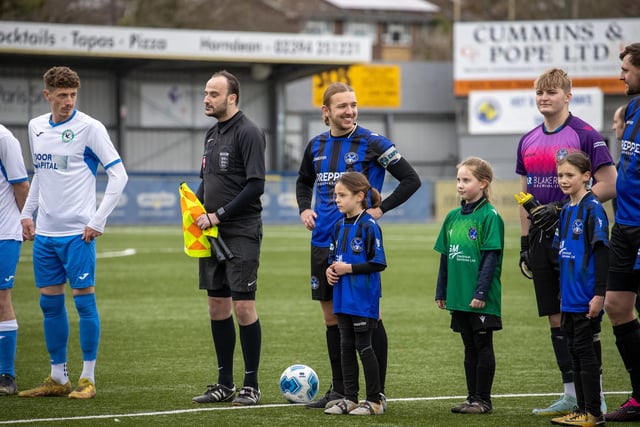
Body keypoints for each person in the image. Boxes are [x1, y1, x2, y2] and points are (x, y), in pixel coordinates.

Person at [296, 82, 421, 409]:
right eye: (342, 106)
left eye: (353, 104)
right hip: (322, 243)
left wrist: (380, 209)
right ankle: (341, 391)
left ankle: (375, 394)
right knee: (331, 319)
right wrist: (304, 208)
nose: (350, 111)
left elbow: (411, 179)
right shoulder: (316, 145)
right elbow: (303, 181)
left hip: (356, 248)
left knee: (369, 317)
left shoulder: (373, 142)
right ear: (326, 112)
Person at [18, 66, 128, 399]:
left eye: (73, 95)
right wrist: (27, 213)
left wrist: (98, 221)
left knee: (84, 305)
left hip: (78, 236)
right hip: (46, 236)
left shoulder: (90, 128)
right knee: (49, 306)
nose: (68, 101)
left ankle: (87, 379)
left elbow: (119, 175)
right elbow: (40, 173)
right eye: (62, 95)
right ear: (47, 94)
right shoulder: (35, 127)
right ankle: (57, 377)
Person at [515, 68, 616, 416]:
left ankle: (596, 396)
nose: (545, 98)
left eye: (552, 92)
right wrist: (525, 240)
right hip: (543, 243)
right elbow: (525, 196)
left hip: (576, 241)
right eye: (540, 93)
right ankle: (571, 393)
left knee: (583, 318)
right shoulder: (527, 139)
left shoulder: (586, 134)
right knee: (556, 319)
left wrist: (561, 208)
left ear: (568, 96)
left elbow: (609, 183)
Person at [191, 70, 266, 406]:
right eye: (206, 93)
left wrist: (219, 215)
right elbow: (207, 181)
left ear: (232, 98)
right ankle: (224, 384)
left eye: (213, 94)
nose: (207, 99)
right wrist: (193, 207)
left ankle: (251, 386)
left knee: (243, 308)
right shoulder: (210, 134)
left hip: (241, 231)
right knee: (216, 306)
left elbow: (256, 185)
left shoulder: (248, 132)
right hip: (212, 233)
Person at [435, 157, 504, 415]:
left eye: (466, 180)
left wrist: (481, 292)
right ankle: (472, 398)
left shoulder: (490, 216)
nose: (460, 185)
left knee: (483, 344)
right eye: (458, 180)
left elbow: (490, 258)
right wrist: (441, 290)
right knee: (468, 346)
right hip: (458, 294)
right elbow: (445, 256)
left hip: (481, 297)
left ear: (483, 183)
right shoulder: (452, 217)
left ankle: (483, 401)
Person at [550, 152, 609, 427]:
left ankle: (594, 414)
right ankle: (581, 409)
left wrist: (599, 294)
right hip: (569, 298)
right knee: (574, 351)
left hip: (586, 297)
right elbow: (559, 253)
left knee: (586, 354)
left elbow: (601, 254)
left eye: (569, 175)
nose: (563, 180)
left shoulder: (592, 208)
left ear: (587, 176)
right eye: (560, 175)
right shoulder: (566, 209)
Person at [323, 171, 387, 416]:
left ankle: (374, 400)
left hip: (362, 299)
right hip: (342, 297)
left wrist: (348, 268)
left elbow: (378, 263)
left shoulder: (369, 226)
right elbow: (333, 259)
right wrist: (331, 271)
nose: (337, 200)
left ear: (360, 196)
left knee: (364, 347)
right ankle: (349, 398)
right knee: (345, 346)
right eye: (335, 195)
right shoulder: (337, 226)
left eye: (342, 195)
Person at [604, 42, 640, 422]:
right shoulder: (631, 109)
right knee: (616, 306)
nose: (621, 75)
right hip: (625, 227)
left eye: (627, 69)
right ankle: (638, 396)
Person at [0, 125, 29, 396]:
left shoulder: (4, 138)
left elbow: (21, 183)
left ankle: (6, 375)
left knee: (1, 300)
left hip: (3, 233)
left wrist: (27, 219)